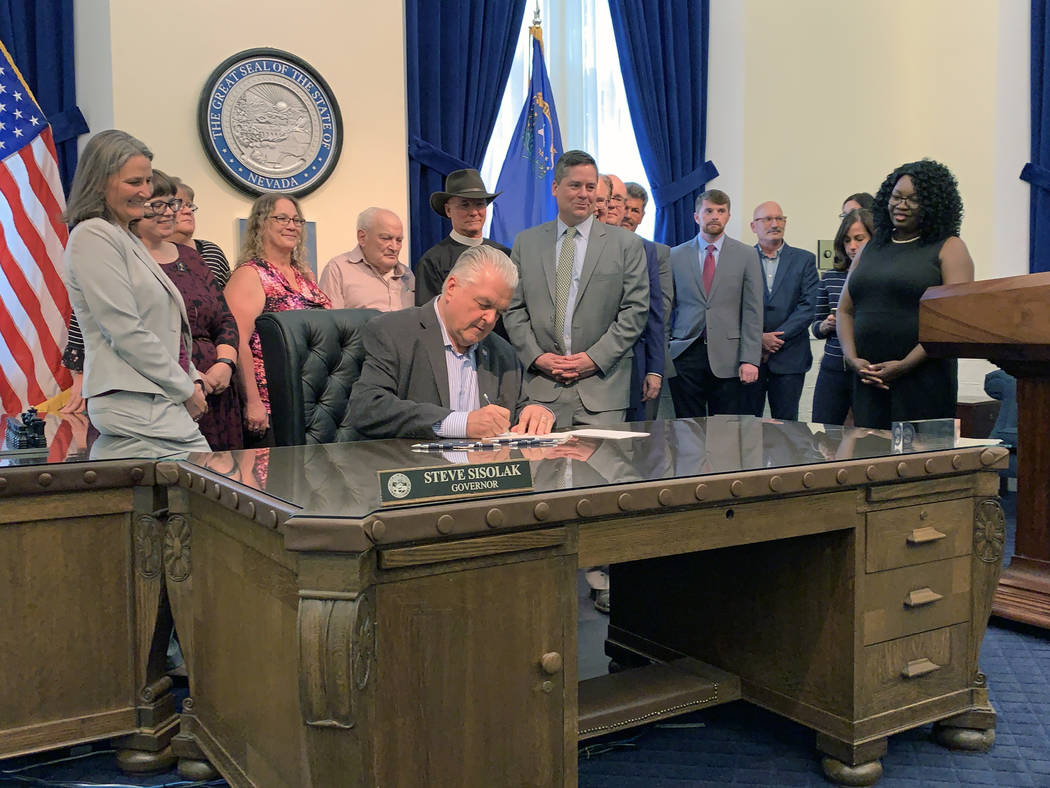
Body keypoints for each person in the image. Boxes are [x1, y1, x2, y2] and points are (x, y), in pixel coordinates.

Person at [61, 130, 209, 458]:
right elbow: (125, 330)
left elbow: (165, 330)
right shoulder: (93, 236)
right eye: (133, 182)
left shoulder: (123, 236)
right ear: (100, 182)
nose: (145, 192)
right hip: (136, 405)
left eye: (146, 182)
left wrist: (192, 378)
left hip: (155, 401)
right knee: (207, 498)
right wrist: (185, 387)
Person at [504, 150, 649, 428]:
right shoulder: (526, 243)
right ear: (556, 188)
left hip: (602, 392)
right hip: (540, 391)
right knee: (543, 471)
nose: (584, 194)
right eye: (575, 185)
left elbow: (635, 311)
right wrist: (537, 357)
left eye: (591, 187)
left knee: (600, 471)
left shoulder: (626, 245)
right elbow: (513, 309)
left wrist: (594, 359)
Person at [349, 245, 554, 439]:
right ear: (452, 288)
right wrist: (460, 424)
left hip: (484, 472)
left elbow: (518, 408)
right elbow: (368, 407)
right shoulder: (393, 332)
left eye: (499, 312)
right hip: (417, 469)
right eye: (484, 304)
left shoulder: (502, 352)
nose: (490, 319)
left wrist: (536, 412)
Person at [837, 160, 975, 429]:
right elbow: (845, 310)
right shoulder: (870, 247)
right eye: (896, 197)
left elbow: (954, 324)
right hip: (869, 377)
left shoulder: (949, 247)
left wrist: (904, 365)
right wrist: (852, 358)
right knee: (869, 462)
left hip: (923, 379)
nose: (901, 205)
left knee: (919, 463)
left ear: (934, 203)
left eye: (913, 199)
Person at [132, 170, 242, 450]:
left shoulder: (192, 258)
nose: (170, 212)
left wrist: (225, 364)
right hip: (165, 394)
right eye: (159, 205)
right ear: (134, 210)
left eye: (173, 204)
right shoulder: (126, 260)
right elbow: (134, 333)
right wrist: (189, 379)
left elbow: (225, 319)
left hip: (218, 390)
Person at [225, 193, 331, 446]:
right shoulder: (250, 274)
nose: (291, 225)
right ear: (261, 223)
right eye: (281, 218)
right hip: (271, 400)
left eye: (296, 220)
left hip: (312, 399)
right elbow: (237, 342)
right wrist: (252, 401)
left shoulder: (305, 275)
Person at [668, 189, 763, 417]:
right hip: (685, 353)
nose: (715, 216)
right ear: (696, 216)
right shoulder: (674, 255)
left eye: (721, 211)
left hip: (729, 357)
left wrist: (750, 359)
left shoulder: (746, 255)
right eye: (709, 210)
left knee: (726, 432)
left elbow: (753, 311)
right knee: (687, 430)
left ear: (728, 216)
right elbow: (665, 308)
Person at [744, 201, 818, 420]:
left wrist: (775, 339)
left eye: (780, 218)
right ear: (753, 226)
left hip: (790, 356)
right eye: (767, 219)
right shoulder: (741, 259)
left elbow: (808, 306)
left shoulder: (804, 260)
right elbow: (732, 306)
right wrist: (759, 338)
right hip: (750, 357)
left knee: (787, 430)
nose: (775, 224)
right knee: (748, 425)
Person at [810, 208, 873, 424]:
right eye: (846, 240)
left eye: (859, 239)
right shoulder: (830, 277)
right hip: (833, 366)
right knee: (822, 430)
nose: (852, 246)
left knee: (868, 436)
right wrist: (826, 326)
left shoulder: (881, 278)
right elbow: (815, 326)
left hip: (867, 368)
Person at [414, 169, 511, 306]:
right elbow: (428, 317)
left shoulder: (505, 254)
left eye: (479, 204)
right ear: (448, 210)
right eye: (465, 205)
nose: (473, 212)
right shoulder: (432, 262)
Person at [620, 181, 670, 421]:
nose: (628, 215)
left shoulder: (651, 251)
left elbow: (657, 313)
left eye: (635, 211)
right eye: (625, 207)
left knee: (639, 442)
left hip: (638, 361)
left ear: (642, 216)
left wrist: (654, 368)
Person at [317, 207, 413, 310]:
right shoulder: (337, 270)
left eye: (399, 240)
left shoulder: (407, 274)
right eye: (386, 238)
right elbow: (330, 323)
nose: (394, 247)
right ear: (362, 237)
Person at [170, 178, 234, 288]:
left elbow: (226, 301)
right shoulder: (148, 255)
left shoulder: (212, 252)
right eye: (178, 205)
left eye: (189, 205)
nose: (188, 211)